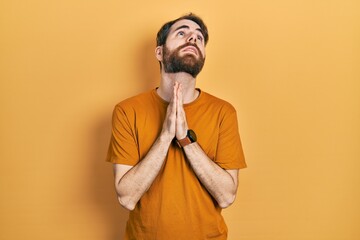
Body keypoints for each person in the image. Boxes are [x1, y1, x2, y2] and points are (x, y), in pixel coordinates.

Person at [106, 13, 247, 240]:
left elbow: (227, 196)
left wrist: (185, 139)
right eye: (182, 33)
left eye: (199, 38)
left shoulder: (223, 112)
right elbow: (126, 197)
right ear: (159, 52)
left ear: (203, 56)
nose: (192, 38)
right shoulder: (127, 111)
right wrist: (165, 136)